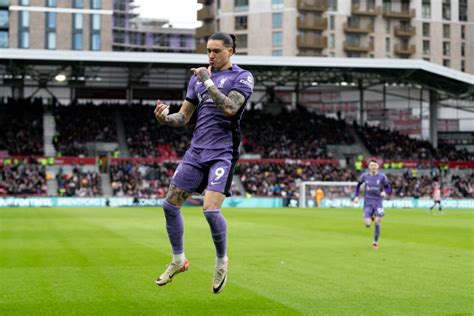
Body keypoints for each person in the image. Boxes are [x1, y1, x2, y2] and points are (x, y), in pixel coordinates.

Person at [153, 32, 254, 294]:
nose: (211, 55)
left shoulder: (242, 77)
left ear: (230, 51)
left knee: (210, 211)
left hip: (223, 152)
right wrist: (166, 118)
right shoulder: (197, 79)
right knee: (169, 205)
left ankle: (221, 261)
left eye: (216, 51)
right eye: (208, 50)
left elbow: (231, 108)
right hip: (196, 151)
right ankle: (178, 260)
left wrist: (208, 82)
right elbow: (183, 118)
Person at [353, 158, 391, 250]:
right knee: (367, 224)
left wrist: (385, 192)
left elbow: (388, 187)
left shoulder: (382, 177)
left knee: (377, 223)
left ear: (377, 166)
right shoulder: (364, 176)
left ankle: (375, 242)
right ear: (369, 167)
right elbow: (358, 185)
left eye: (374, 165)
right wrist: (357, 196)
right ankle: (372, 216)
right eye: (371, 165)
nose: (373, 167)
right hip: (368, 203)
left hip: (378, 203)